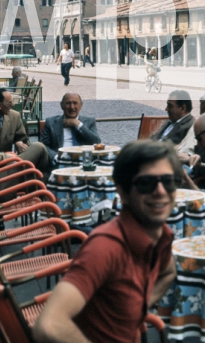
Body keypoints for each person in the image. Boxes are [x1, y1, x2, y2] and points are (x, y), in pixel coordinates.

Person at [33, 140, 179, 343]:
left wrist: (136, 310)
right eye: (146, 183)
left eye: (169, 181)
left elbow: (168, 271)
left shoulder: (161, 234)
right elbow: (49, 326)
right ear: (123, 193)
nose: (161, 191)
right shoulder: (105, 247)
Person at [0, 88, 51, 174]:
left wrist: (19, 142)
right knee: (39, 147)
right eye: (10, 103)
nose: (13, 104)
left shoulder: (14, 116)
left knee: (39, 147)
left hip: (12, 164)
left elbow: (24, 140)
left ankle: (42, 178)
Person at [40, 92, 100, 162]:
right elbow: (43, 145)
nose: (72, 107)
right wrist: (56, 156)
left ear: (81, 105)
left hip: (83, 161)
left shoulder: (90, 121)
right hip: (60, 160)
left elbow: (96, 141)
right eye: (68, 103)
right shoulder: (51, 122)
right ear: (61, 105)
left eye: (75, 103)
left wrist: (78, 124)